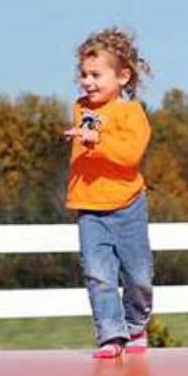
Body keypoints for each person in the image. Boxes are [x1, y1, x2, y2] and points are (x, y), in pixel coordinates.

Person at [65, 27, 154, 359]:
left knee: (138, 275)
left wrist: (96, 142)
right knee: (99, 274)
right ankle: (111, 336)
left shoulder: (131, 113)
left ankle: (135, 325)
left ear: (122, 76)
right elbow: (87, 138)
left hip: (127, 205)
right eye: (83, 75)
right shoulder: (82, 108)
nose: (88, 82)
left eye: (96, 75)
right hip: (89, 206)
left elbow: (130, 156)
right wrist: (89, 139)